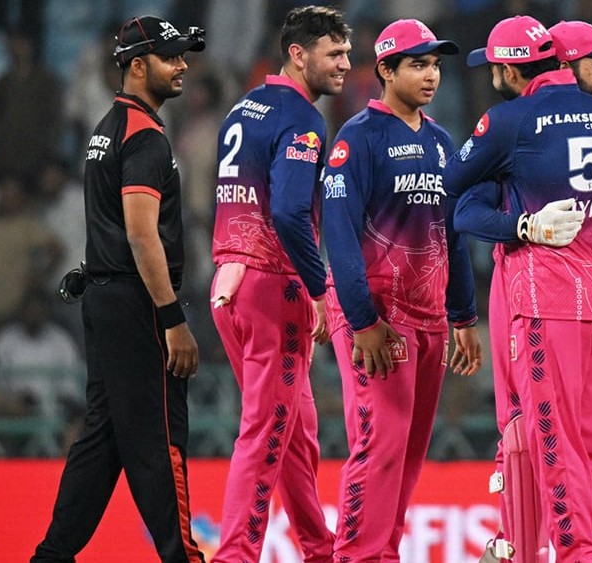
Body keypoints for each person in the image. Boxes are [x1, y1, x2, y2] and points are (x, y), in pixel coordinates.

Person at [445, 15, 592, 563]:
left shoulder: (508, 121)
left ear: (509, 70)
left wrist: (520, 226)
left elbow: (450, 192)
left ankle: (576, 550)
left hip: (547, 297)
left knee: (548, 434)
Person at [30, 15, 206, 563]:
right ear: (136, 66)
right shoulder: (145, 135)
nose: (182, 66)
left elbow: (112, 225)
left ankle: (51, 556)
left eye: (184, 56)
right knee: (160, 441)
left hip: (106, 298)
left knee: (101, 442)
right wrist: (172, 317)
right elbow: (138, 231)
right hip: (137, 304)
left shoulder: (106, 129)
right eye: (170, 57)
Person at [321, 18, 482, 561]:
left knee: (409, 454)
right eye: (417, 64)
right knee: (380, 447)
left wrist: (463, 315)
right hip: (380, 319)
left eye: (435, 64)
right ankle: (356, 556)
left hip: (431, 318)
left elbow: (453, 232)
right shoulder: (357, 139)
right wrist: (362, 321)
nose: (431, 74)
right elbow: (337, 235)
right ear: (385, 70)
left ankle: (383, 551)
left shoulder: (441, 142)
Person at [208, 7, 351, 563]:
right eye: (333, 54)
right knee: (267, 430)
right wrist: (317, 287)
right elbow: (292, 213)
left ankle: (319, 549)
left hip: (230, 282)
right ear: (298, 54)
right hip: (274, 287)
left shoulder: (242, 109)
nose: (344, 65)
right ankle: (236, 555)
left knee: (297, 428)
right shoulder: (302, 118)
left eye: (345, 53)